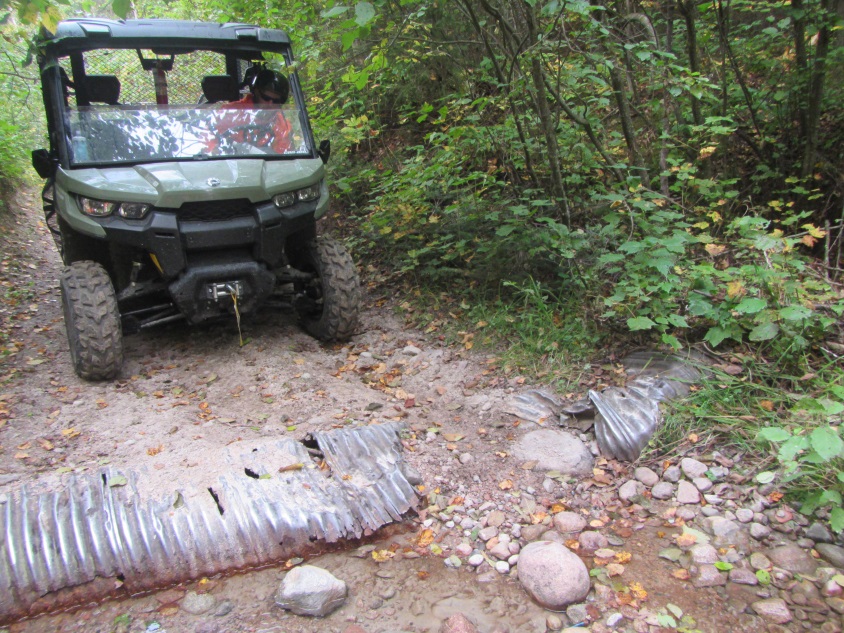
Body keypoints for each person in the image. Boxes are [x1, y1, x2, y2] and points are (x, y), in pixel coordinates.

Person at [212, 69, 293, 154]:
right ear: (256, 92)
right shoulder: (230, 112)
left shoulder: (282, 123)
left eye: (276, 101)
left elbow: (283, 154)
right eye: (266, 98)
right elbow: (213, 145)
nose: (270, 104)